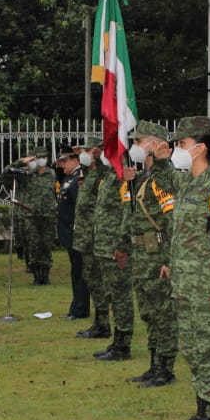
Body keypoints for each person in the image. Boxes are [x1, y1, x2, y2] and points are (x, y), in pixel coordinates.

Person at [157, 116, 210, 420]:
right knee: (192, 348)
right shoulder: (186, 182)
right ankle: (201, 412)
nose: (178, 149)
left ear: (200, 147)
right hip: (185, 284)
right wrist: (160, 155)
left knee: (208, 348)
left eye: (182, 144)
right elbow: (163, 180)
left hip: (206, 286)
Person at [123, 121, 179, 387]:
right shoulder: (146, 177)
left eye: (138, 141)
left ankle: (166, 369)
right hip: (143, 257)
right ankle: (154, 365)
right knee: (149, 313)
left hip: (158, 258)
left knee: (163, 314)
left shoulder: (162, 179)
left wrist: (169, 261)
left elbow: (172, 222)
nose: (134, 146)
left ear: (155, 144)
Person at [90, 149, 134, 361]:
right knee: (114, 297)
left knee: (121, 298)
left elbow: (127, 214)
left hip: (115, 249)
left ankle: (123, 346)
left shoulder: (123, 179)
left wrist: (122, 246)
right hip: (104, 248)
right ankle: (117, 341)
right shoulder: (109, 176)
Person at [73, 139, 112, 338]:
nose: (83, 153)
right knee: (91, 280)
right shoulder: (90, 174)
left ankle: (103, 325)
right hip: (85, 238)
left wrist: (98, 157)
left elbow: (106, 172)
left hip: (94, 237)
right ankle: (99, 322)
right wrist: (84, 159)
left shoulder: (103, 174)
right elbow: (88, 170)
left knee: (97, 281)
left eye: (88, 150)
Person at [1, 146, 57, 285]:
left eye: (44, 157)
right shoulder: (25, 174)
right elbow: (5, 173)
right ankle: (37, 275)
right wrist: (21, 161)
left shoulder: (52, 174)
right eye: (38, 157)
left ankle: (46, 274)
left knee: (46, 245)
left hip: (48, 214)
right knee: (33, 245)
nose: (42, 160)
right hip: (31, 215)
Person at [55, 146, 89, 319]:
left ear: (76, 160)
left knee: (79, 272)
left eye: (65, 161)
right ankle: (77, 306)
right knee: (76, 271)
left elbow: (80, 208)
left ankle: (80, 309)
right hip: (68, 233)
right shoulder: (69, 178)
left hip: (75, 232)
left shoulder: (79, 179)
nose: (62, 164)